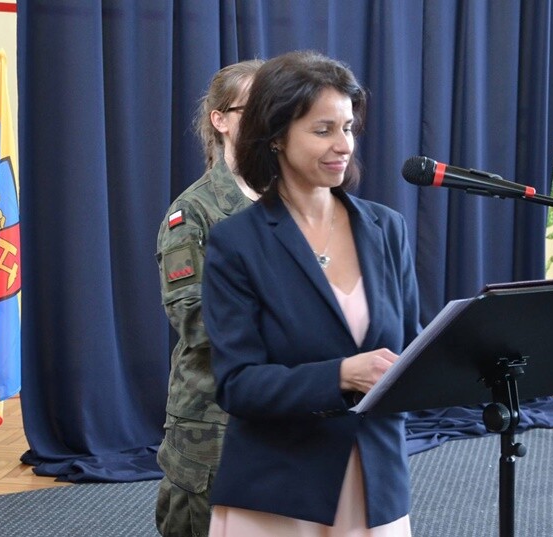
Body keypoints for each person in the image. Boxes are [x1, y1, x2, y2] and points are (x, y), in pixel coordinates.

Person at [201, 50, 421, 535]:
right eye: (323, 130)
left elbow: (410, 347)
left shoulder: (388, 228)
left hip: (377, 486)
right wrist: (341, 374)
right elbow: (237, 385)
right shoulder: (236, 242)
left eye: (348, 128)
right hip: (281, 493)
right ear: (276, 137)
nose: (343, 145)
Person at [154, 59, 263, 537]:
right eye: (253, 109)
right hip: (214, 419)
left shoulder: (297, 202)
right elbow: (195, 319)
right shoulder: (193, 212)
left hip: (286, 413)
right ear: (220, 120)